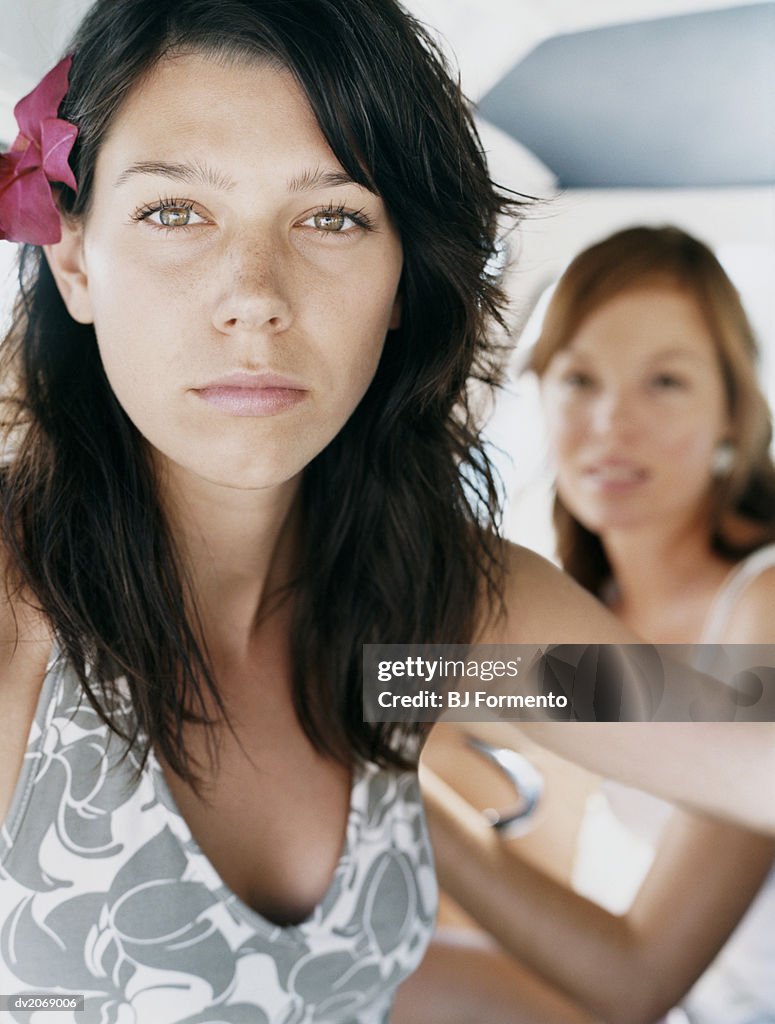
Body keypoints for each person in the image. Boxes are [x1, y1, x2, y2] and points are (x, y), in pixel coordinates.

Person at [0, 5, 774, 1020]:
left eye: (333, 216)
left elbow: (742, 747)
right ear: (75, 260)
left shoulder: (430, 627)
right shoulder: (18, 626)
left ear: (402, 278)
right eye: (174, 211)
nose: (254, 297)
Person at [412, 226, 775, 1024]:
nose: (612, 422)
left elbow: (634, 982)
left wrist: (395, 780)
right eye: (579, 380)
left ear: (732, 413)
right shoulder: (587, 615)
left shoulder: (762, 603)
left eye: (665, 382)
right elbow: (404, 687)